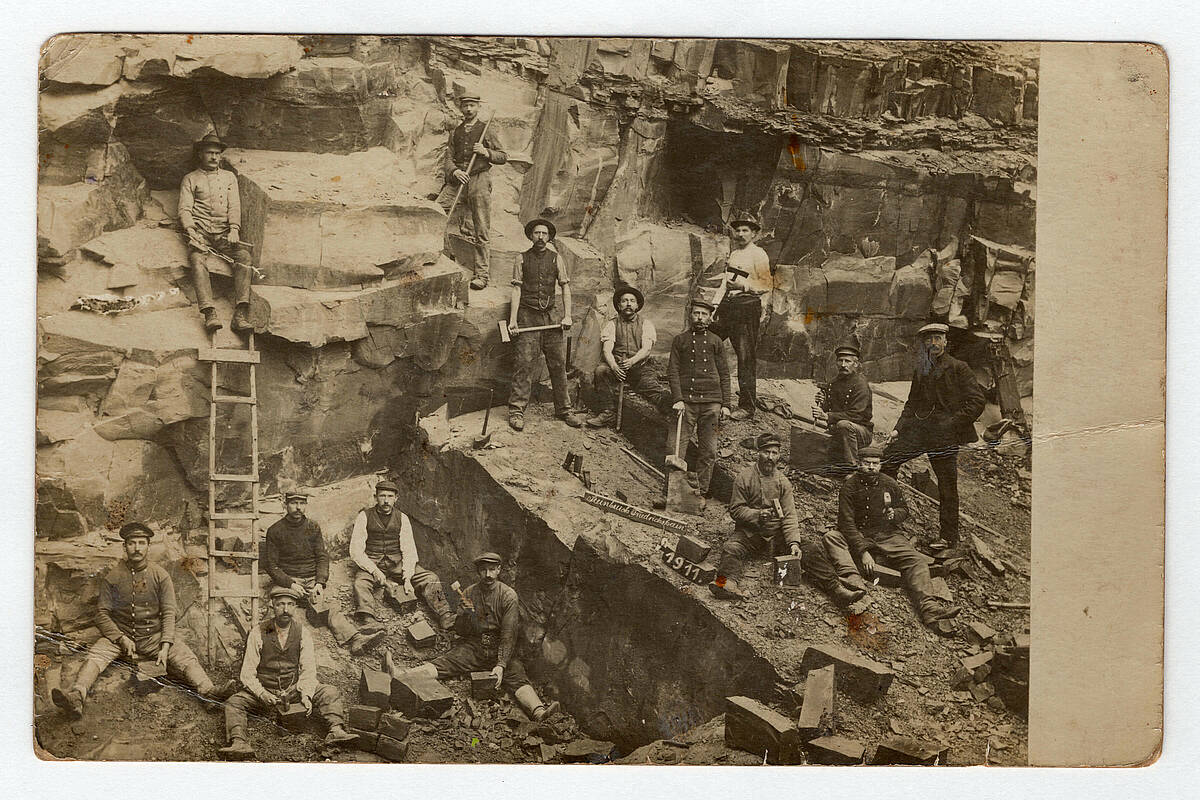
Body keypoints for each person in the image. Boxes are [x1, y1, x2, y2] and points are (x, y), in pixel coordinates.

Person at [51, 523, 233, 720]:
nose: (137, 548)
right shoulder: (113, 577)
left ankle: (208, 693)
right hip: (120, 638)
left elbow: (169, 612)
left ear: (148, 546)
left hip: (153, 636)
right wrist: (120, 638)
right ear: (125, 547)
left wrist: (165, 645)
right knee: (96, 656)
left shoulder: (160, 575)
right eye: (132, 543)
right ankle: (77, 696)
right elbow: (101, 614)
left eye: (141, 543)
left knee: (183, 654)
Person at [384, 552, 560, 722]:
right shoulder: (469, 593)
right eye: (483, 570)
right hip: (476, 646)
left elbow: (509, 634)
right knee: (446, 662)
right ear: (478, 571)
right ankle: (401, 674)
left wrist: (501, 664)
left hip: (501, 648)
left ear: (499, 570)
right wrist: (465, 615)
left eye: (492, 569)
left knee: (516, 675)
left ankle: (538, 712)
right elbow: (461, 630)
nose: (488, 574)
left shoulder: (508, 596)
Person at [821, 446, 960, 631]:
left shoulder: (889, 483)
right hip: (859, 533)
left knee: (916, 560)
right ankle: (853, 581)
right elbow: (846, 523)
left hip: (887, 535)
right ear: (859, 464)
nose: (871, 467)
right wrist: (862, 551)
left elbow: (904, 509)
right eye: (867, 463)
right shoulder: (849, 487)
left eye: (875, 464)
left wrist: (894, 514)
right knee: (832, 537)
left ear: (880, 465)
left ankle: (929, 609)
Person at [218, 586, 358, 759]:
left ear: (295, 607)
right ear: (272, 606)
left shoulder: (302, 633)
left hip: (293, 690)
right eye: (281, 604)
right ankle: (239, 741)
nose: (285, 609)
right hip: (265, 691)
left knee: (329, 691)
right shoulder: (258, 632)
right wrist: (262, 693)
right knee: (234, 702)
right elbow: (247, 673)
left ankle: (336, 730)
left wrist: (305, 694)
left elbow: (308, 668)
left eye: (290, 604)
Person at [882, 323, 986, 547]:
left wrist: (951, 424)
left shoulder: (959, 368)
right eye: (929, 339)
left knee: (947, 486)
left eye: (938, 338)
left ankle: (948, 538)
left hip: (945, 436)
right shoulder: (922, 369)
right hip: (920, 432)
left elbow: (977, 402)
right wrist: (898, 428)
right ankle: (889, 517)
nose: (934, 343)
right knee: (888, 460)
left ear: (946, 342)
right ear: (924, 343)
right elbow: (911, 404)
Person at [263, 486, 386, 655]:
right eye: (293, 503)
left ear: (306, 505)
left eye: (302, 503)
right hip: (288, 580)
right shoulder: (275, 530)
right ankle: (281, 648)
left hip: (312, 580)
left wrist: (319, 583)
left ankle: (356, 639)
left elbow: (322, 557)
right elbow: (271, 565)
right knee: (283, 606)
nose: (298, 507)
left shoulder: (312, 527)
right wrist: (290, 584)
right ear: (286, 505)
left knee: (329, 608)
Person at [506, 218, 585, 432]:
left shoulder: (556, 258)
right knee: (524, 363)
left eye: (544, 233)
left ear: (549, 237)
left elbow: (565, 287)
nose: (540, 237)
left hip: (551, 317)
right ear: (531, 236)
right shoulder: (520, 258)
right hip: (527, 316)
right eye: (536, 233)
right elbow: (516, 290)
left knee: (558, 364)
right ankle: (516, 411)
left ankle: (564, 410)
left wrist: (567, 315)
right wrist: (513, 321)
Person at [349, 480, 455, 631]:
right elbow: (356, 550)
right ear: (375, 497)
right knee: (360, 583)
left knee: (430, 578)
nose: (386, 500)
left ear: (396, 498)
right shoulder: (364, 516)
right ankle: (368, 619)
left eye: (390, 496)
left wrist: (407, 578)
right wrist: (374, 570)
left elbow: (409, 549)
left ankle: (445, 615)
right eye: (382, 496)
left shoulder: (402, 518)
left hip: (396, 562)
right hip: (373, 562)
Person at [709, 432, 803, 600]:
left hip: (775, 535)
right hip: (749, 533)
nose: (770, 457)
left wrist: (794, 542)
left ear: (779, 456)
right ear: (758, 453)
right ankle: (725, 584)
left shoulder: (783, 483)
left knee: (808, 550)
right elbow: (736, 510)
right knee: (731, 549)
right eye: (766, 452)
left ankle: (836, 587)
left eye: (774, 453)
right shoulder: (744, 478)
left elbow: (789, 515)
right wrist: (758, 515)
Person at [178, 133, 252, 334]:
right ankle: (209, 312)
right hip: (200, 233)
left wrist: (235, 229)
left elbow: (234, 205)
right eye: (209, 153)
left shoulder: (229, 178)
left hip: (223, 235)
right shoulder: (191, 179)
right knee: (196, 259)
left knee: (244, 257)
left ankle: (240, 314)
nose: (213, 157)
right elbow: (185, 209)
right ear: (201, 154)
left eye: (217, 154)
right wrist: (191, 232)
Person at [436, 91, 507, 291]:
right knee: (437, 212)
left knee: (481, 227)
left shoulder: (486, 130)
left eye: (472, 106)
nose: (468, 109)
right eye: (465, 105)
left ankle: (482, 275)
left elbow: (503, 156)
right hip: (458, 181)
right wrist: (455, 171)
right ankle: (446, 256)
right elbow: (448, 158)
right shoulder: (455, 132)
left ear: (478, 107)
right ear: (461, 108)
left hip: (479, 179)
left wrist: (486, 152)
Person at [666, 297, 732, 508]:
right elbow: (673, 371)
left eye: (704, 314)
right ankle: (672, 493)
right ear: (690, 315)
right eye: (696, 313)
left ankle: (698, 494)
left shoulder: (716, 342)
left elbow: (724, 374)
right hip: (686, 404)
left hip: (712, 404)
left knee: (709, 451)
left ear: (710, 318)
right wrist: (677, 398)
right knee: (675, 448)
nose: (700, 318)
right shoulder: (680, 340)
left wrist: (726, 404)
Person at [709, 212, 772, 421]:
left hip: (746, 308)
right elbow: (724, 285)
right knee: (707, 340)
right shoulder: (734, 254)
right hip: (728, 306)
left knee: (745, 357)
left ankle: (747, 406)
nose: (741, 233)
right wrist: (713, 309)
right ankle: (705, 391)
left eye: (746, 230)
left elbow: (766, 285)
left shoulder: (759, 254)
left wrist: (744, 285)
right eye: (738, 230)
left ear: (754, 234)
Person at [586, 284, 672, 427]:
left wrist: (632, 361)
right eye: (624, 301)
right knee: (600, 372)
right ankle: (608, 413)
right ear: (619, 305)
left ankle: (668, 410)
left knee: (650, 386)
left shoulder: (646, 324)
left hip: (639, 366)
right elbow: (607, 349)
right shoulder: (612, 324)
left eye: (632, 301)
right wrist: (614, 366)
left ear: (637, 306)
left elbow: (646, 349)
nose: (628, 304)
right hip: (618, 367)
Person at [811, 341, 874, 473]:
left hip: (860, 432)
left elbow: (856, 415)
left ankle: (853, 469)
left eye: (847, 361)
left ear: (855, 364)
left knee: (844, 425)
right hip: (840, 430)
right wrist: (822, 404)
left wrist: (827, 416)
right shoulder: (834, 383)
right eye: (840, 361)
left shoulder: (861, 384)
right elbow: (830, 408)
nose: (843, 365)